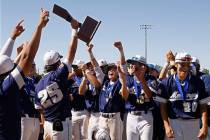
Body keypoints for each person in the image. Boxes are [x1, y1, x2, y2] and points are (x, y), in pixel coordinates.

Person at [0, 9, 48, 140]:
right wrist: (39, 26)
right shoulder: (6, 88)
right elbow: (28, 57)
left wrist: (12, 37)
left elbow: (3, 61)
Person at [35, 17, 79, 140]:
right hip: (60, 124)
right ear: (57, 62)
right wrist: (74, 30)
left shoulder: (39, 84)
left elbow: (39, 108)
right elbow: (72, 52)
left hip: (48, 124)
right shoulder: (58, 75)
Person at [156, 52, 209, 140]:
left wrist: (204, 126)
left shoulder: (198, 82)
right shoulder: (166, 82)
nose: (185, 67)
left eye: (188, 64)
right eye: (182, 64)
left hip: (193, 122)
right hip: (174, 122)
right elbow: (163, 106)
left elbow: (203, 106)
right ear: (176, 65)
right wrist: (166, 126)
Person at [125, 55, 157, 140]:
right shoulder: (129, 78)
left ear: (143, 66)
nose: (131, 65)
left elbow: (149, 95)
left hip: (145, 116)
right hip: (131, 116)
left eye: (134, 63)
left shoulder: (151, 79)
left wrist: (142, 79)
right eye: (131, 63)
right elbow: (125, 96)